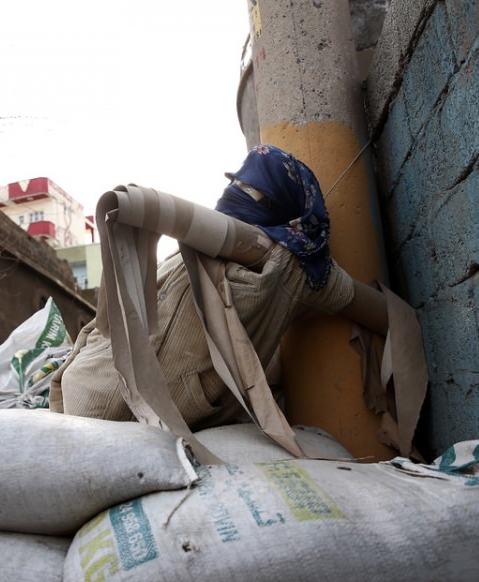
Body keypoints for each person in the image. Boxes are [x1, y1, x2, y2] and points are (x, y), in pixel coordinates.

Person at [49, 144, 387, 431]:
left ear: (283, 204)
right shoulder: (196, 244)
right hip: (81, 386)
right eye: (236, 184)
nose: (235, 195)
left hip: (137, 415)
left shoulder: (298, 271)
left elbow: (374, 309)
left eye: (251, 191)